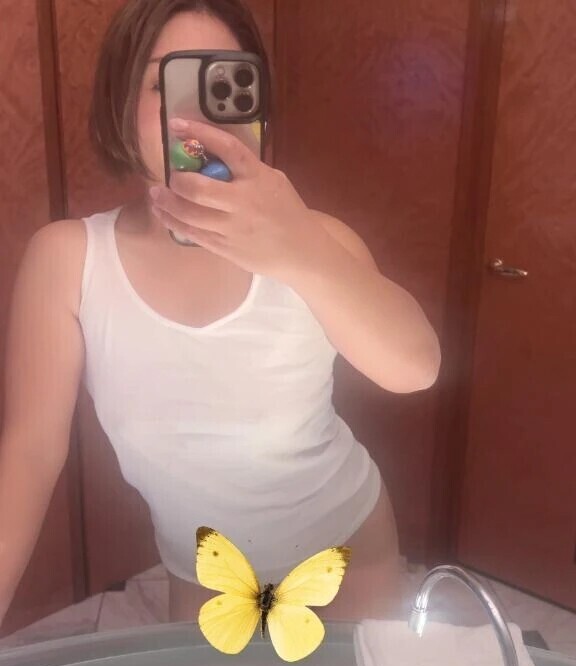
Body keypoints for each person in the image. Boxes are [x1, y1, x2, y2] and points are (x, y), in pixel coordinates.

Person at [0, 0, 440, 628]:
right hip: (204, 575)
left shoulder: (316, 240)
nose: (198, 112)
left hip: (345, 556)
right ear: (122, 103)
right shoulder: (68, 261)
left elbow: (417, 367)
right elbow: (29, 453)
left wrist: (298, 249)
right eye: (166, 81)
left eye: (225, 81)